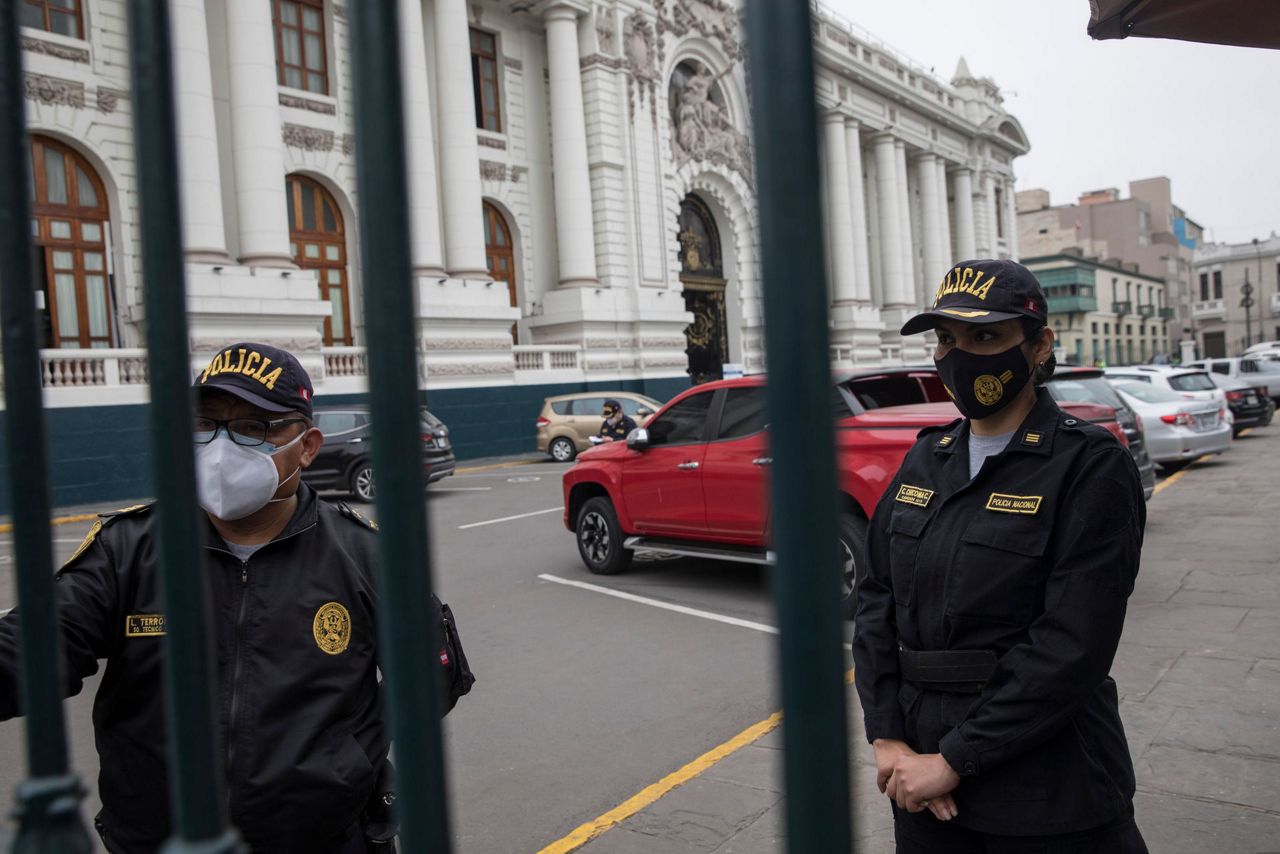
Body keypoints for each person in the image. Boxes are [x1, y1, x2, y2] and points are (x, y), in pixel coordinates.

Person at [0, 343, 393, 853]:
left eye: (254, 428)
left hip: (324, 843)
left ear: (309, 445)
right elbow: (32, 646)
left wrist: (346, 761)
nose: (221, 447)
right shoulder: (130, 551)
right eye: (205, 425)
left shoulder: (364, 555)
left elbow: (434, 674)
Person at [852, 260, 1149, 853]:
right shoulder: (926, 458)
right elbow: (876, 601)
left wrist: (957, 759)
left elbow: (1072, 644)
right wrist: (888, 737)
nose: (959, 356)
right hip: (920, 779)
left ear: (1039, 345)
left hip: (1046, 785)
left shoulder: (1087, 466)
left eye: (985, 337)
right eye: (945, 340)